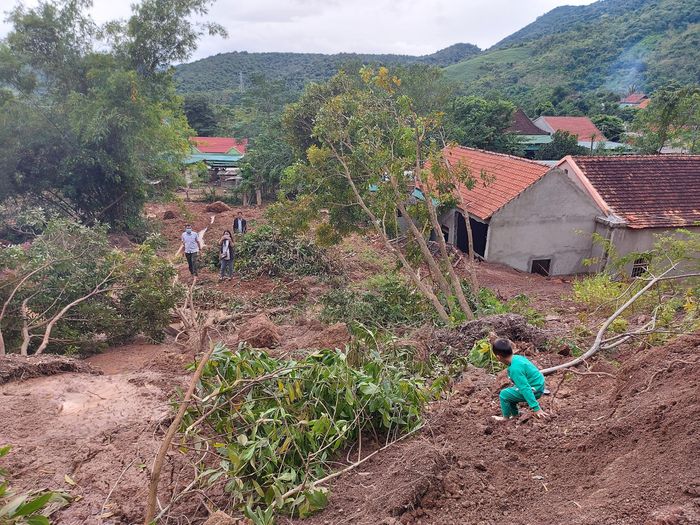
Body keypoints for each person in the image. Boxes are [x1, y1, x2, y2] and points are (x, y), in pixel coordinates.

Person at [490, 336, 548, 421]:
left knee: (504, 394)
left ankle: (505, 418)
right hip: (539, 384)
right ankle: (515, 416)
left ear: (498, 357)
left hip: (534, 389)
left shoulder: (515, 369)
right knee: (510, 393)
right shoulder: (517, 358)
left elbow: (525, 388)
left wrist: (537, 409)